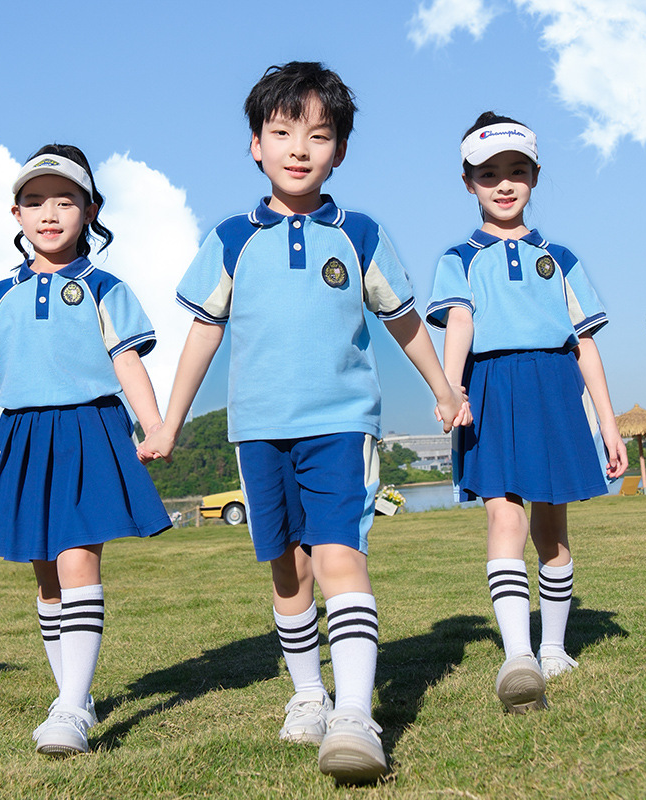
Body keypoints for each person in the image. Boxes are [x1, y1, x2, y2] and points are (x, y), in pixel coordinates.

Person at [141, 62, 468, 783]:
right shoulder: (231, 237)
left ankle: (354, 715)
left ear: (339, 151)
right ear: (255, 144)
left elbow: (405, 321)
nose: (299, 147)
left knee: (339, 556)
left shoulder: (362, 235)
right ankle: (308, 696)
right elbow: (202, 333)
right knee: (287, 569)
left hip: (341, 425)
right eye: (282, 131)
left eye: (318, 136)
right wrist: (169, 420)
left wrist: (444, 388)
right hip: (257, 430)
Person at [0, 145, 171, 756]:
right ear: (15, 214)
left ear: (90, 209)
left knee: (78, 556)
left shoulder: (105, 286)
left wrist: (154, 424)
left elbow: (126, 361)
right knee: (46, 572)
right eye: (34, 201)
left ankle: (74, 707)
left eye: (64, 200)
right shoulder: (0, 294)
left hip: (89, 429)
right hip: (23, 437)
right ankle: (70, 694)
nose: (48, 213)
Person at [426, 112, 628, 714]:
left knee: (551, 529)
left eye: (517, 171)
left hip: (553, 388)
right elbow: (459, 321)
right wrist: (452, 388)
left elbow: (585, 346)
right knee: (503, 519)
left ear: (535, 176)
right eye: (489, 175)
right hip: (490, 388)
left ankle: (554, 648)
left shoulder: (559, 257)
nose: (504, 184)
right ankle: (518, 655)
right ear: (469, 183)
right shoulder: (458, 257)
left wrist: (609, 425)